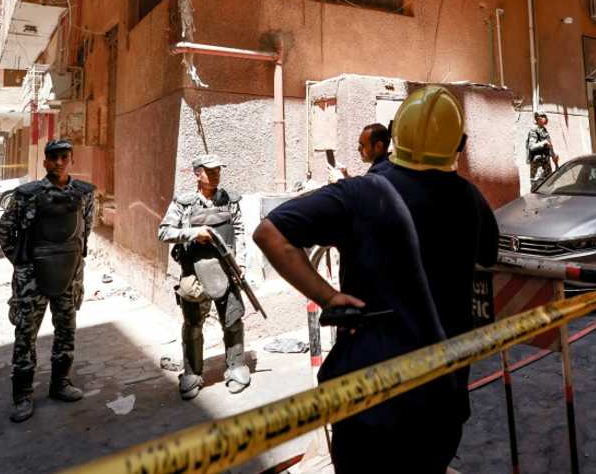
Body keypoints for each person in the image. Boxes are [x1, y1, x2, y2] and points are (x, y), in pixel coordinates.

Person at [254, 85, 499, 474]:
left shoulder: (360, 194)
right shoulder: (472, 200)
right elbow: (487, 260)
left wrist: (328, 296)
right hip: (441, 401)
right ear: (460, 145)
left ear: (395, 136)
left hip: (368, 402)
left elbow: (270, 233)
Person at [0, 139, 95, 423]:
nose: (60, 162)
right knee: (26, 334)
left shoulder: (84, 193)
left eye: (65, 157)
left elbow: (85, 231)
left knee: (66, 330)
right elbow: (4, 232)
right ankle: (22, 395)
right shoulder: (27, 195)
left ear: (71, 160)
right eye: (54, 158)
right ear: (45, 162)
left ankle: (60, 383)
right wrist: (23, 265)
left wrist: (73, 265)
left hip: (69, 273)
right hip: (32, 277)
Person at [157, 154, 250, 400]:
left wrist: (241, 262)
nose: (216, 174)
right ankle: (192, 373)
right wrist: (193, 233)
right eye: (210, 171)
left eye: (218, 170)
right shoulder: (184, 204)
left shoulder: (229, 200)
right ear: (197, 174)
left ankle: (236, 367)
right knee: (192, 325)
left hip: (226, 269)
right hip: (195, 272)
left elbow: (239, 230)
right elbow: (164, 232)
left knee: (233, 320)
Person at [526, 111, 558, 188]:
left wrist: (555, 160)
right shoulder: (534, 131)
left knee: (549, 187)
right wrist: (543, 143)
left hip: (546, 166)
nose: (546, 118)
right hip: (538, 167)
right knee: (538, 188)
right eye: (543, 116)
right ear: (538, 118)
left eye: (545, 117)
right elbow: (531, 146)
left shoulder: (545, 131)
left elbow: (550, 147)